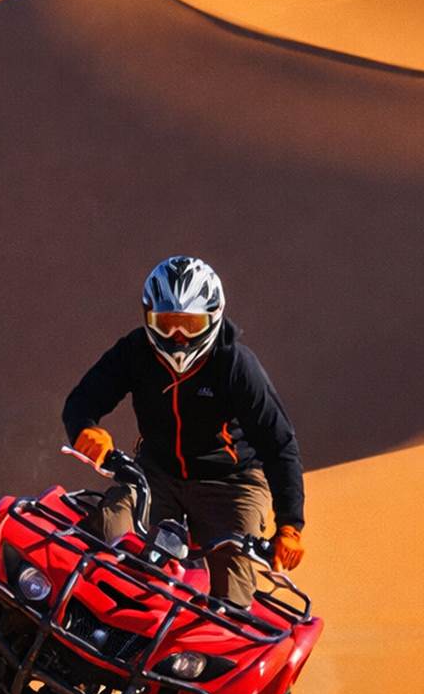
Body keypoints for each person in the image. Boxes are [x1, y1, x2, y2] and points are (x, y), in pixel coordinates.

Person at [62, 255, 305, 608]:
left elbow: (279, 444)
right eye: (167, 323)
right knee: (105, 531)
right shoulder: (135, 352)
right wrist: (85, 428)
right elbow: (81, 400)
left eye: (190, 325)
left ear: (213, 318)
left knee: (233, 590)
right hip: (156, 474)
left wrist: (290, 526)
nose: (178, 337)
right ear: (149, 318)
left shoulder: (236, 365)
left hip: (232, 483)